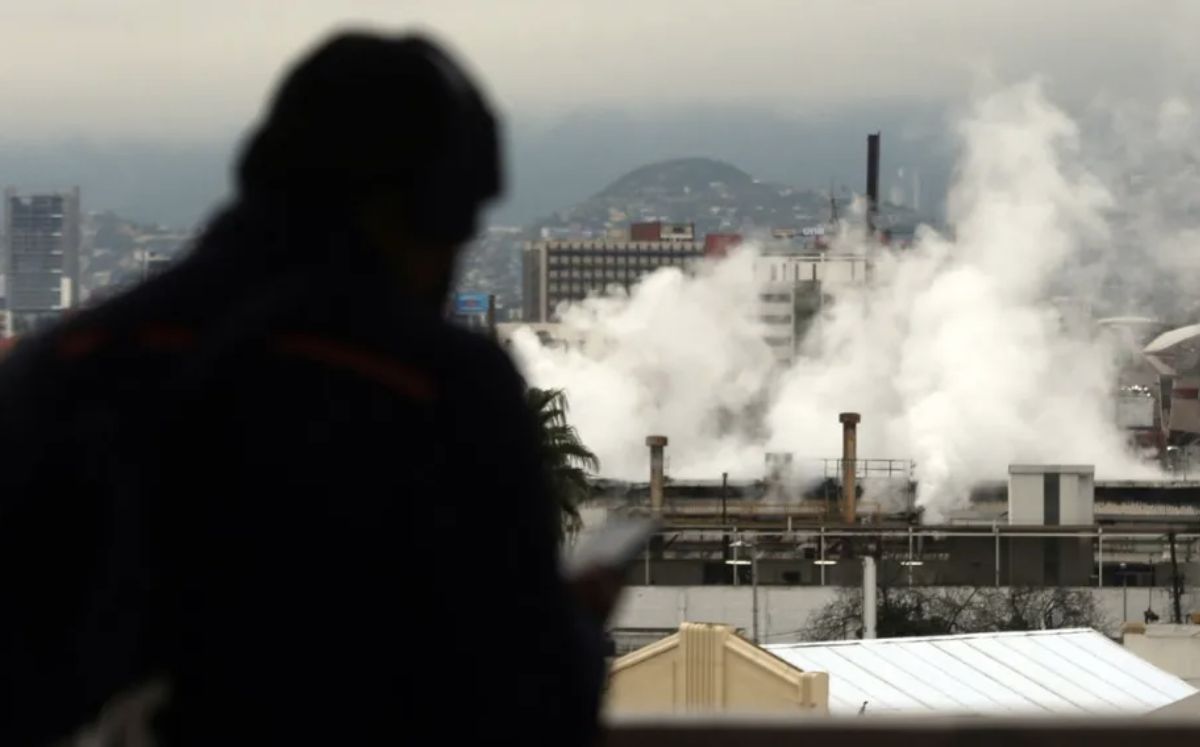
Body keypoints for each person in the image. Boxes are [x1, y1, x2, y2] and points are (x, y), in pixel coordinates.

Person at [0, 32, 610, 746]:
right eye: (456, 230)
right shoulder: (435, 387)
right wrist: (577, 633)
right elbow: (529, 705)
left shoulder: (62, 362)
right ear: (417, 211)